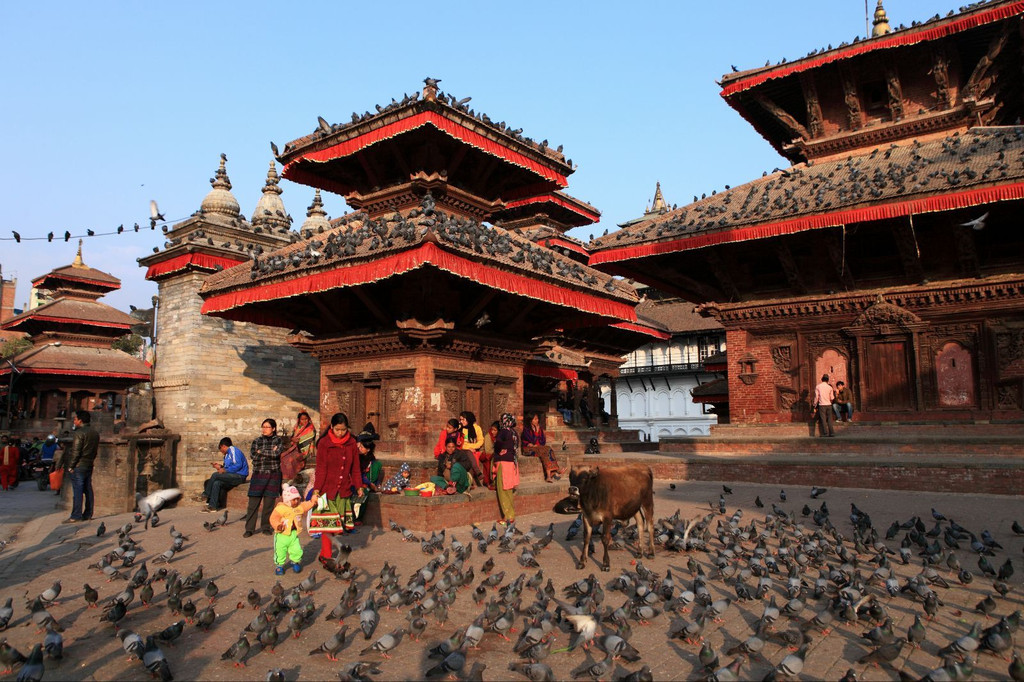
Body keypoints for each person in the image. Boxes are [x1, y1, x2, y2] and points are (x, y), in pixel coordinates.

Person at [311, 413, 363, 563]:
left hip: (343, 490)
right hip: (326, 490)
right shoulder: (324, 443)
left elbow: (355, 468)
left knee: (336, 526)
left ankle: (325, 553)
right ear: (332, 427)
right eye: (337, 429)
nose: (340, 433)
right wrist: (316, 491)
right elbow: (321, 469)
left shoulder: (352, 443)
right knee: (327, 525)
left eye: (343, 430)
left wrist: (359, 486)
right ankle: (326, 555)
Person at [243, 418, 283, 538]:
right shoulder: (257, 441)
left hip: (273, 474)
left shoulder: (278, 440)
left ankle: (266, 526)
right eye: (263, 427)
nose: (264, 429)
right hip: (258, 474)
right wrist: (269, 451)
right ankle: (249, 528)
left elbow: (277, 454)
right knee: (253, 503)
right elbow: (253, 455)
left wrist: (262, 452)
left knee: (269, 504)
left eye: (267, 427)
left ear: (273, 429)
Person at [270, 484, 318, 575]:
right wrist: (278, 525)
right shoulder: (280, 508)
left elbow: (306, 505)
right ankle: (279, 566)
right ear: (288, 500)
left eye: (297, 499)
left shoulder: (299, 507)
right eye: (294, 500)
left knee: (296, 549)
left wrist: (313, 501)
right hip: (282, 535)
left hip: (294, 534)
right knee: (280, 551)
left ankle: (295, 562)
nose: (296, 501)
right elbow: (273, 518)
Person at [63, 410, 99, 523]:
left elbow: (76, 452)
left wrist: (71, 466)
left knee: (78, 491)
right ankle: (88, 513)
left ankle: (76, 515)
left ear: (80, 420)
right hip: (89, 463)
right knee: (88, 489)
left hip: (79, 465)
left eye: (75, 419)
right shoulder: (94, 433)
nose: (74, 421)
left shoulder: (79, 433)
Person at [200, 437, 249, 512]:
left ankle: (206, 494)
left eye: (220, 449)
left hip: (239, 476)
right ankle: (213, 506)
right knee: (217, 483)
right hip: (232, 476)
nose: (221, 451)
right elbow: (227, 468)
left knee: (215, 475)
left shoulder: (234, 450)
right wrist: (220, 467)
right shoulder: (227, 455)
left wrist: (225, 470)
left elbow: (238, 465)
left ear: (223, 446)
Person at [492, 412, 520, 526]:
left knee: (503, 490)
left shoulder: (503, 431)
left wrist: (499, 450)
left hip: (503, 463)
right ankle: (510, 515)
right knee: (508, 490)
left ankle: (508, 516)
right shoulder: (514, 433)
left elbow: (498, 444)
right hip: (512, 462)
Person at [521, 413, 562, 483]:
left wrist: (539, 431)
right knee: (545, 450)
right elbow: (531, 441)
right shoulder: (526, 430)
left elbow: (543, 442)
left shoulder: (540, 429)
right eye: (535, 419)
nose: (537, 421)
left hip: (539, 448)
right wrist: (536, 432)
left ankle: (549, 476)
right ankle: (555, 470)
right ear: (531, 421)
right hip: (528, 449)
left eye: (537, 419)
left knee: (548, 449)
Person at [458, 411, 486, 486]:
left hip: (474, 449)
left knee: (469, 456)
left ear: (468, 419)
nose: (461, 421)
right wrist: (468, 448)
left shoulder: (477, 428)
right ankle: (477, 473)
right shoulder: (460, 429)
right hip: (463, 450)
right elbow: (460, 443)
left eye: (463, 419)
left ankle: (470, 482)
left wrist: (471, 447)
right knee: (468, 453)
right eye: (460, 420)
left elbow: (481, 441)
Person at [480, 421, 498, 489]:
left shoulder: (500, 436)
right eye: (492, 429)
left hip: (495, 454)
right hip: (487, 454)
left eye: (495, 430)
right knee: (489, 460)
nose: (493, 432)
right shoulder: (488, 436)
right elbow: (488, 451)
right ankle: (489, 481)